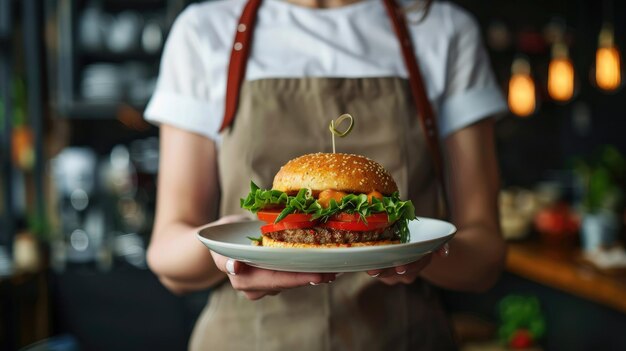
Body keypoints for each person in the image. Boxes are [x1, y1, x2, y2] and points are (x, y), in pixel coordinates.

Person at [144, 0, 507, 349]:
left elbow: (485, 259)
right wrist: (228, 249)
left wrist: (421, 251)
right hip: (247, 339)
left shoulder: (444, 30)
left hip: (403, 338)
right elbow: (166, 257)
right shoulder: (204, 31)